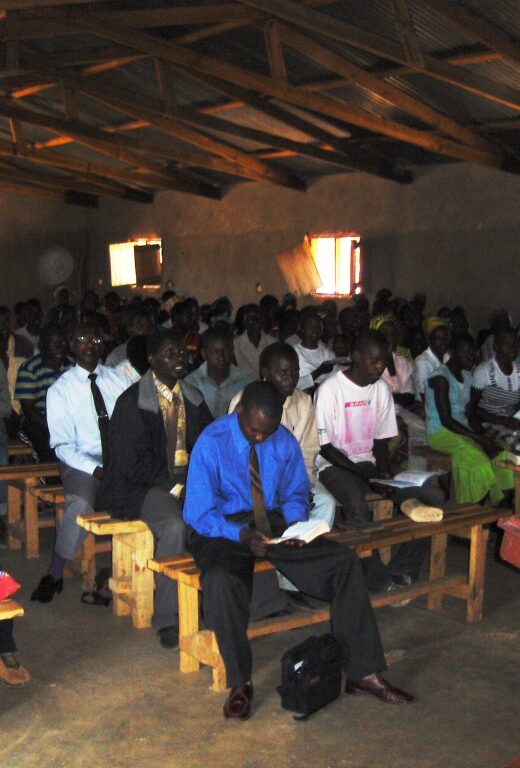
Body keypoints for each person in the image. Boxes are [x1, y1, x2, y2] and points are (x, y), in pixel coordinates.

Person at [184, 381, 414, 720]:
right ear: (240, 412)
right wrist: (241, 534)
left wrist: (295, 527)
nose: (261, 438)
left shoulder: (282, 439)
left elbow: (295, 492)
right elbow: (198, 512)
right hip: (223, 527)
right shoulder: (211, 441)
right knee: (220, 581)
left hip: (272, 524)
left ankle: (363, 673)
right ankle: (239, 683)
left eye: (269, 431)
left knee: (344, 563)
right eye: (254, 430)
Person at [97, 330, 212, 647]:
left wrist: (203, 483)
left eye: (182, 352)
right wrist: (177, 487)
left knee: (225, 513)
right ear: (151, 360)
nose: (179, 358)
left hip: (183, 481)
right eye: (169, 353)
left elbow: (209, 447)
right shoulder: (133, 401)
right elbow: (132, 464)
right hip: (140, 486)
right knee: (173, 525)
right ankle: (167, 618)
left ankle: (229, 605)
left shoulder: (194, 398)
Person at [314, 330, 443, 592]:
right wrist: (367, 476)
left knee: (434, 497)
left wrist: (383, 471)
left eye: (383, 361)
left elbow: (381, 440)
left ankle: (401, 569)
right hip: (335, 466)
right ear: (356, 357)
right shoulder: (330, 389)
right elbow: (326, 449)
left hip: (368, 465)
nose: (380, 366)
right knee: (358, 508)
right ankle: (372, 580)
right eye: (374, 360)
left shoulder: (381, 389)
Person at [31, 322, 132, 603]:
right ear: (72, 346)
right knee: (81, 504)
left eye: (96, 338)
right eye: (83, 339)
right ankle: (54, 573)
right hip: (82, 460)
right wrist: (96, 469)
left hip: (119, 457)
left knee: (146, 498)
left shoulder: (119, 380)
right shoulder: (60, 390)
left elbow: (132, 425)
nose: (91, 344)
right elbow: (63, 446)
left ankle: (114, 574)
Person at [425, 333, 514, 505]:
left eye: (473, 352)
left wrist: (485, 437)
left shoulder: (467, 376)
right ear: (452, 352)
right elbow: (446, 420)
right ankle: (470, 511)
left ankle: (499, 507)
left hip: (463, 430)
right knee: (476, 460)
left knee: (500, 452)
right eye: (466, 352)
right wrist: (479, 439)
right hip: (441, 432)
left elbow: (471, 414)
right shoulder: (440, 378)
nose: (471, 356)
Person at [15, 323, 73, 461]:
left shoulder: (72, 365)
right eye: (55, 343)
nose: (61, 346)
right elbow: (29, 410)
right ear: (42, 346)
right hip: (39, 421)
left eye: (63, 342)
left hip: (66, 419)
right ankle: (51, 479)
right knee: (46, 443)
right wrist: (53, 428)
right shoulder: (30, 368)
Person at [185, 327, 254, 419]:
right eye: (215, 352)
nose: (221, 356)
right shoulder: (191, 383)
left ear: (232, 351)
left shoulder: (247, 382)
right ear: (204, 354)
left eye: (226, 351)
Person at [470, 328, 520, 429]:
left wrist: (515, 419)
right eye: (507, 343)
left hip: (511, 422)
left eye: (515, 343)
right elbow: (473, 408)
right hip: (487, 424)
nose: (512, 347)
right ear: (496, 347)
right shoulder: (483, 371)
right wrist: (504, 421)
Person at [290, 309, 334, 392]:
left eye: (317, 326)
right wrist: (319, 372)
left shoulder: (328, 353)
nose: (314, 329)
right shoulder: (293, 352)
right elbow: (292, 384)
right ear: (302, 329)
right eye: (310, 325)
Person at [414, 317, 451, 401]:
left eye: (447, 338)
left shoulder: (447, 356)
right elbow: (424, 394)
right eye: (440, 339)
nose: (445, 342)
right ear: (429, 340)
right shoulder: (422, 362)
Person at [233, 304, 272, 377]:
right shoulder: (235, 345)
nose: (255, 320)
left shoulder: (272, 343)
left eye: (258, 317)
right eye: (251, 317)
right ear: (244, 322)